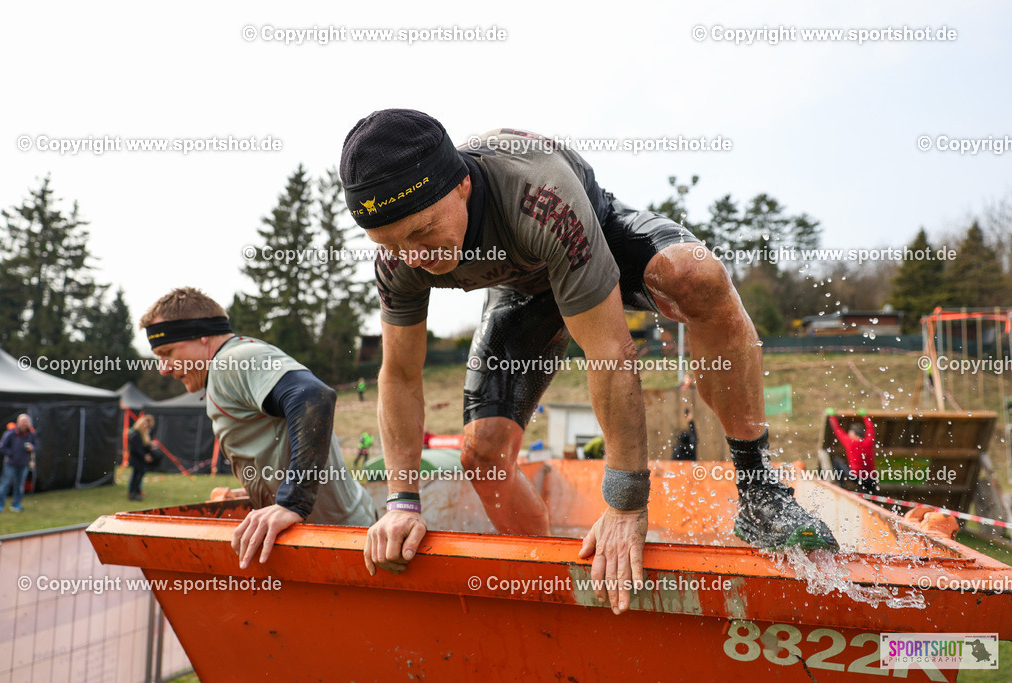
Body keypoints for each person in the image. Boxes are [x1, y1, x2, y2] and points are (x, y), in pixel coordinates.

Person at [345, 110, 837, 615]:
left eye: (424, 232)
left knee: (697, 277)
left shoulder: (539, 197)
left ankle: (759, 490)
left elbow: (609, 351)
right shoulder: (399, 260)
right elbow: (400, 376)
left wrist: (626, 503)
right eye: (390, 243)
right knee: (483, 454)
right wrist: (401, 504)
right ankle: (542, 580)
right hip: (522, 289)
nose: (414, 256)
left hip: (594, 239)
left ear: (464, 186)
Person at [140, 287, 375, 569]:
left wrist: (292, 502)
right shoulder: (228, 365)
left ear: (202, 335)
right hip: (334, 537)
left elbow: (313, 397)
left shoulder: (232, 360)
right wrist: (262, 490)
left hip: (341, 543)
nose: (164, 368)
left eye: (167, 352)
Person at [826, 408, 878, 496]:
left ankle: (840, 484)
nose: (849, 434)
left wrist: (832, 417)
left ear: (854, 434)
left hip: (855, 476)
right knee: (872, 498)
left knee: (837, 460)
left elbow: (837, 429)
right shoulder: (869, 441)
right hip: (870, 478)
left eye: (850, 432)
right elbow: (871, 429)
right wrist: (865, 417)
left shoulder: (850, 442)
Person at [0, 414, 38, 513]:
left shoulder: (31, 434)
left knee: (19, 486)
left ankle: (16, 504)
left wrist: (32, 448)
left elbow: (36, 445)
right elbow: (1, 447)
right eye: (23, 422)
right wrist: (11, 454)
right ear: (18, 422)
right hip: (10, 464)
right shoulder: (10, 433)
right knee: (4, 484)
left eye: (26, 422)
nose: (24, 424)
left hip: (24, 464)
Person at [127, 415, 160, 501]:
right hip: (136, 459)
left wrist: (151, 448)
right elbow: (136, 448)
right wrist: (144, 455)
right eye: (143, 425)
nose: (145, 426)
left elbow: (144, 446)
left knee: (139, 475)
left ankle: (136, 492)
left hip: (140, 459)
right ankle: (132, 493)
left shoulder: (144, 434)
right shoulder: (135, 435)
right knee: (136, 476)